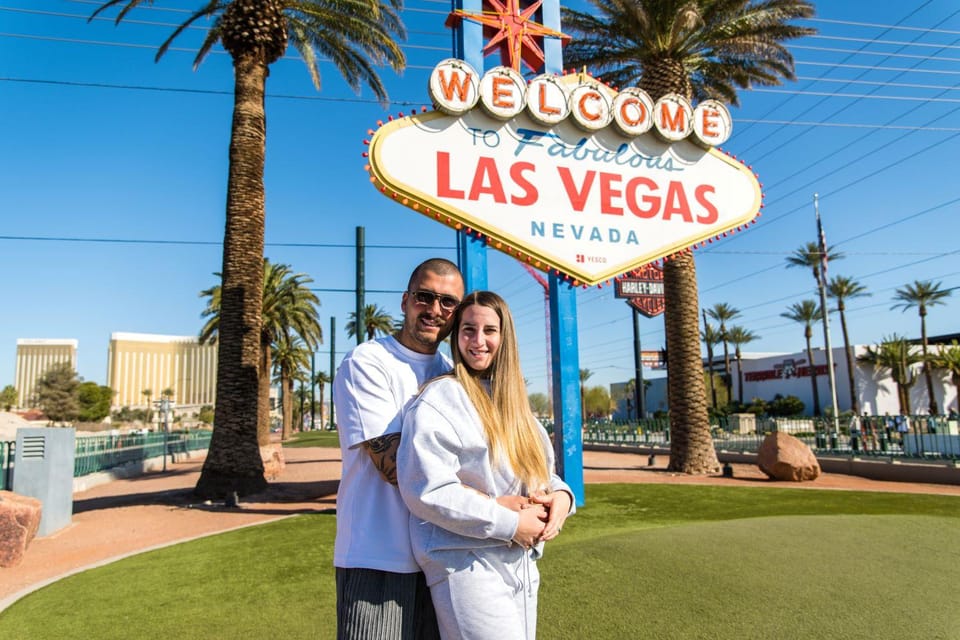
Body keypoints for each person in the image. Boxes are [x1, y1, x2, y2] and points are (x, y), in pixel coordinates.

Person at [397, 291, 575, 640]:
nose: (478, 341)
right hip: (465, 562)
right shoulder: (440, 399)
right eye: (468, 330)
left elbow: (541, 474)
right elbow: (426, 490)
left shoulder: (516, 406)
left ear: (504, 336)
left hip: (521, 564)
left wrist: (562, 498)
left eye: (489, 330)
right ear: (456, 335)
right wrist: (510, 522)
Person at [332, 257, 464, 640]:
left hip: (441, 557)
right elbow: (395, 467)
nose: (434, 310)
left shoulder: (452, 374)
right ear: (406, 301)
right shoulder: (368, 362)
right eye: (425, 297)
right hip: (378, 557)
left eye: (448, 302)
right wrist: (495, 506)